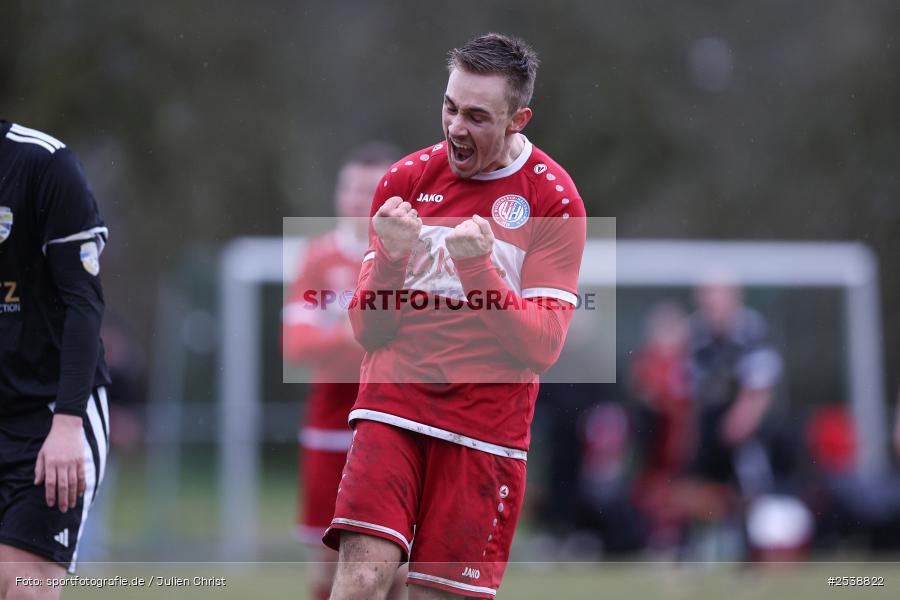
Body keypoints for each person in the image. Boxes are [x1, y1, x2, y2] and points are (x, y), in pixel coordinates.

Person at [324, 33, 586, 599]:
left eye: (476, 116)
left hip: (484, 433)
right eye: (449, 107)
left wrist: (479, 271)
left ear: (520, 118)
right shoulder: (405, 181)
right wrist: (391, 258)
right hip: (393, 408)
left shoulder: (554, 200)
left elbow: (542, 345)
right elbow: (370, 329)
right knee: (360, 582)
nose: (455, 128)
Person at [282, 142, 401, 600]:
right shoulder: (318, 258)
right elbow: (296, 344)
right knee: (330, 560)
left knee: (398, 566)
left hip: (393, 425)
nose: (358, 199)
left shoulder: (408, 259)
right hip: (330, 430)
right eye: (350, 188)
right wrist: (366, 330)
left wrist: (345, 333)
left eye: (370, 190)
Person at [0, 120, 110, 598]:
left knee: (21, 587)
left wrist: (67, 424)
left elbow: (83, 304)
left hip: (50, 416)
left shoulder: (43, 163)